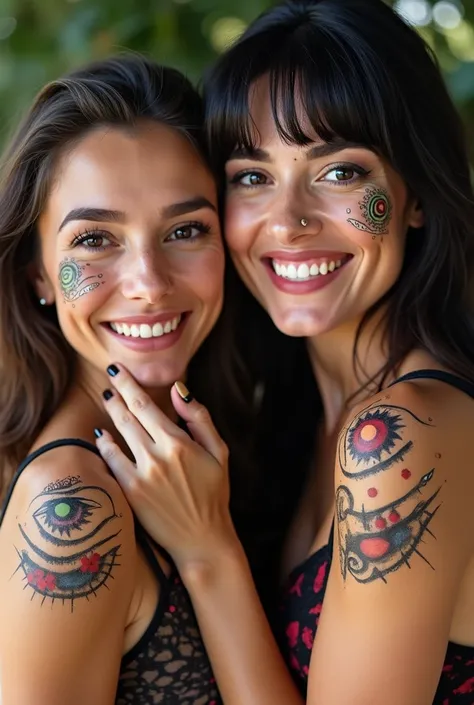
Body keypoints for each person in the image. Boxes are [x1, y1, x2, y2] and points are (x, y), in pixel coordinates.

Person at [94, 1, 474, 704]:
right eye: (251, 176)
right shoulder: (290, 412)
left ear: (414, 193)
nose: (290, 222)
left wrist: (208, 553)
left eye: (339, 173)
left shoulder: (404, 438)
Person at [0, 54, 236, 705]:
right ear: (39, 273)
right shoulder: (69, 506)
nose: (150, 284)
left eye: (185, 230)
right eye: (96, 240)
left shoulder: (216, 438)